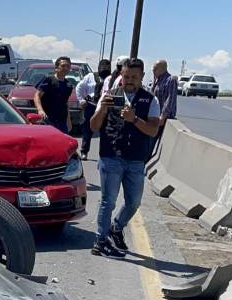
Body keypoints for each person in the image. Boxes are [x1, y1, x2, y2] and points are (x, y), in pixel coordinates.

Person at [88, 57, 162, 258]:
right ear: (121, 75)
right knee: (108, 201)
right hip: (111, 155)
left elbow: (153, 130)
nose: (129, 80)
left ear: (142, 77)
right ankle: (100, 241)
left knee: (133, 202)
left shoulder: (150, 99)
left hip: (136, 159)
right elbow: (94, 127)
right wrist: (102, 109)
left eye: (134, 77)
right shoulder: (109, 95)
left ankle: (116, 227)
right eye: (126, 76)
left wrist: (134, 119)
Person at [76, 59, 112, 159]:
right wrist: (81, 100)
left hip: (104, 107)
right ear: (99, 67)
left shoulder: (111, 78)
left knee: (105, 132)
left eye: (107, 67)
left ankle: (104, 154)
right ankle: (84, 151)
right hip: (91, 106)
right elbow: (79, 88)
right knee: (87, 130)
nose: (105, 69)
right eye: (103, 67)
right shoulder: (90, 76)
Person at [33, 56, 73, 133]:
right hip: (47, 120)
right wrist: (40, 110)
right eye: (63, 66)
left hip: (62, 121)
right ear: (56, 68)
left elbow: (65, 103)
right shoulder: (48, 80)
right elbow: (36, 96)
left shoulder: (68, 85)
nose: (66, 68)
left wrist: (69, 120)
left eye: (68, 66)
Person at [149, 59, 178, 147]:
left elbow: (170, 100)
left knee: (151, 144)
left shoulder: (170, 80)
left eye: (155, 69)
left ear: (162, 69)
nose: (153, 71)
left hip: (163, 118)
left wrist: (163, 116)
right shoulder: (157, 80)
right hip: (154, 116)